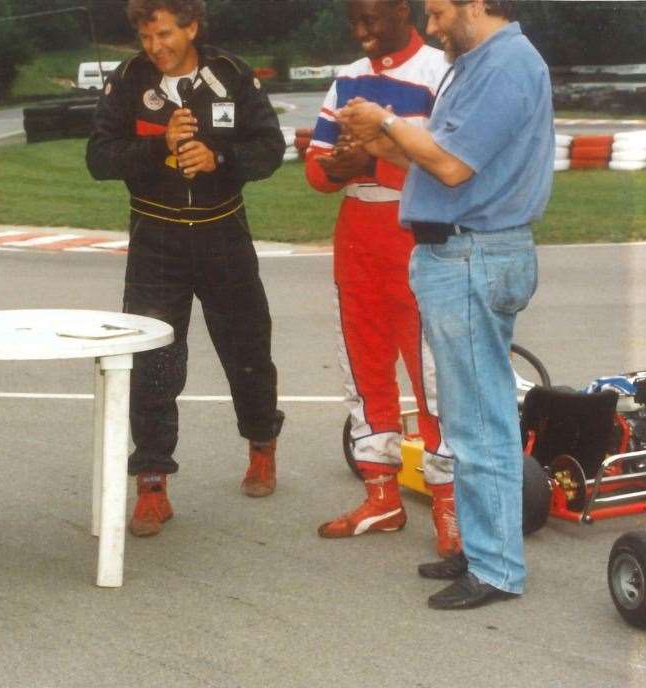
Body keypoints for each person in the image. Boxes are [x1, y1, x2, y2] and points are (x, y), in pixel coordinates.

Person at [338, 0, 552, 609]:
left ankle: (497, 568)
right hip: (461, 252)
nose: (431, 27)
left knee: (478, 418)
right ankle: (485, 548)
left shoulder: (505, 64)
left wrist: (385, 119)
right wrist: (382, 136)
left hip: (473, 252)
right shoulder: (480, 61)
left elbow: (451, 166)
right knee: (466, 414)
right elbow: (429, 157)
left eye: (437, 13)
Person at [86, 0, 286, 537]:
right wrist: (159, 146)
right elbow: (99, 159)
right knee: (152, 363)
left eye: (166, 34)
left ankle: (261, 442)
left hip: (224, 234)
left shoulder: (232, 74)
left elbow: (271, 147)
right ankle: (152, 483)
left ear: (193, 26)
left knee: (248, 350)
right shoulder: (128, 81)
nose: (156, 47)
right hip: (156, 240)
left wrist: (220, 159)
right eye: (147, 36)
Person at [304, 0, 458, 557]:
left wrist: (372, 161)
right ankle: (381, 497)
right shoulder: (346, 79)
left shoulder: (441, 71)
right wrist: (336, 170)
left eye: (373, 19)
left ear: (403, 9)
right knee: (364, 366)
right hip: (357, 237)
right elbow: (316, 167)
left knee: (433, 374)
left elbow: (449, 164)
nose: (363, 32)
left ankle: (450, 508)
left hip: (416, 232)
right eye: (354, 23)